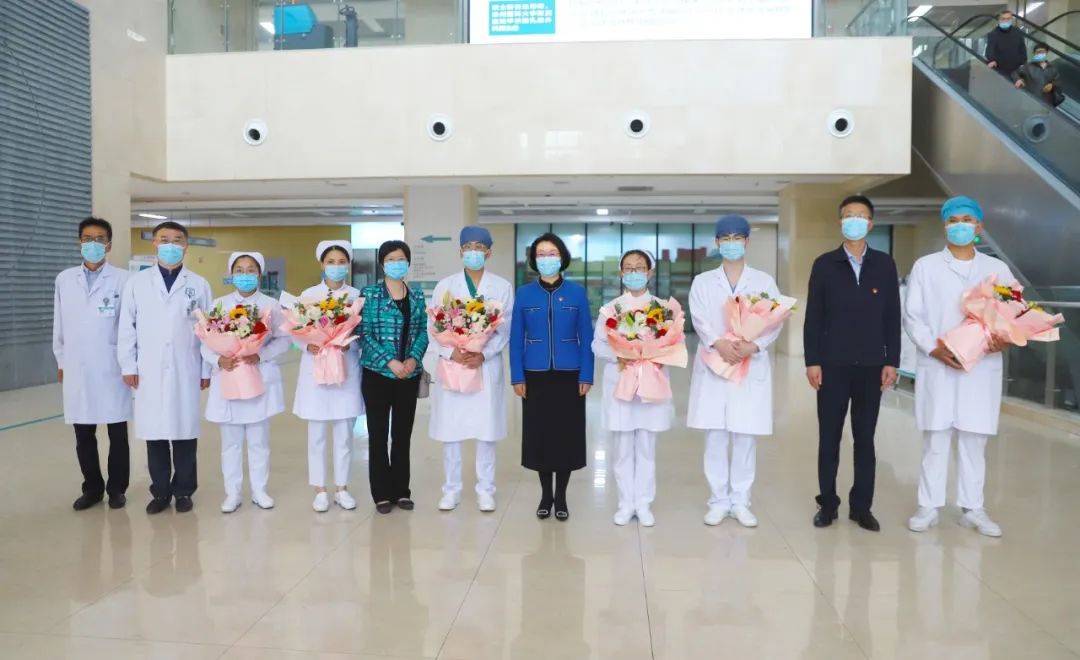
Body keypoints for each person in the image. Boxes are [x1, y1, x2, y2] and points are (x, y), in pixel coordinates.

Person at [904, 197, 1014, 538]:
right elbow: (913, 315)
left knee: (974, 440)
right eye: (953, 220)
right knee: (935, 438)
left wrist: (1005, 338)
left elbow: (1013, 312)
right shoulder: (926, 266)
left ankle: (973, 508)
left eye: (967, 219)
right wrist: (934, 347)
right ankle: (928, 506)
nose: (960, 226)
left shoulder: (997, 270)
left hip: (981, 367)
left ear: (979, 226)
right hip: (939, 362)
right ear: (945, 226)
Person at [804, 195, 900, 532]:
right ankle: (827, 504)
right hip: (832, 365)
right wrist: (812, 361)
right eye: (848, 215)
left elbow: (892, 316)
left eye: (860, 216)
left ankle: (862, 507)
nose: (854, 221)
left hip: (871, 366)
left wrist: (892, 360)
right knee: (829, 437)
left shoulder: (884, 265)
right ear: (840, 222)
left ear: (870, 224)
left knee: (865, 438)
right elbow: (813, 317)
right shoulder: (824, 264)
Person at [687, 216, 782, 528]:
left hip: (748, 363)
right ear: (717, 242)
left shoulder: (764, 281)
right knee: (715, 436)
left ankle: (741, 501)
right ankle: (718, 501)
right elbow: (699, 319)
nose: (731, 243)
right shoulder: (703, 282)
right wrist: (719, 343)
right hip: (716, 362)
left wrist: (754, 345)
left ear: (747, 242)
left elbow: (774, 320)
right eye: (725, 238)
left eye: (737, 237)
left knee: (744, 436)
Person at [117, 221, 212, 514]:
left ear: (186, 246)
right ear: (155, 244)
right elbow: (127, 328)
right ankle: (160, 493)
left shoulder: (199, 284)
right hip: (149, 369)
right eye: (164, 239)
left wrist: (206, 370)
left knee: (185, 433)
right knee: (155, 433)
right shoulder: (137, 283)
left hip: (187, 367)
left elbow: (209, 331)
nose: (171, 245)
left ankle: (184, 491)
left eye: (177, 240)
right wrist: (128, 365)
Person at [592, 249, 680, 527]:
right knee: (622, 448)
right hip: (620, 381)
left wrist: (655, 354)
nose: (634, 273)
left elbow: (674, 344)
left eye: (639, 267)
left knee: (646, 447)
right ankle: (625, 503)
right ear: (621, 273)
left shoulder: (663, 310)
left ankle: (643, 503)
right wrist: (619, 355)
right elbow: (597, 344)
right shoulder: (611, 309)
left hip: (650, 382)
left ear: (649, 272)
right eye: (628, 268)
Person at [429, 227, 514, 513]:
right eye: (468, 247)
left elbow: (505, 331)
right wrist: (451, 351)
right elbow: (433, 327)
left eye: (479, 247)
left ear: (489, 252)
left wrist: (483, 353)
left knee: (485, 431)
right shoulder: (445, 286)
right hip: (453, 365)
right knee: (451, 431)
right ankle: (451, 490)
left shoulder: (502, 286)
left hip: (485, 367)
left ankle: (485, 490)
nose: (473, 251)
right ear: (460, 251)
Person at [510, 232, 594, 521]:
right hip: (535, 375)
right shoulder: (524, 294)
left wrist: (587, 375)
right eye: (541, 254)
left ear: (562, 257)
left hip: (570, 375)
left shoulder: (577, 293)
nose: (547, 258)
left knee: (566, 437)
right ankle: (546, 494)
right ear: (534, 260)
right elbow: (515, 338)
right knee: (540, 436)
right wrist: (517, 376)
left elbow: (587, 337)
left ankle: (562, 497)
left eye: (552, 253)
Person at [202, 252, 291, 514]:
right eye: (239, 270)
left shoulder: (271, 306)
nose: (244, 275)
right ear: (231, 274)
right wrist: (219, 360)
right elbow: (204, 342)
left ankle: (260, 491)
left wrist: (260, 355)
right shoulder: (219, 304)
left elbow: (284, 340)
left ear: (259, 274)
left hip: (257, 378)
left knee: (258, 442)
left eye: (250, 270)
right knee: (230, 443)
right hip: (228, 378)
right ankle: (233, 493)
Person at [53, 217, 132, 511]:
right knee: (83, 434)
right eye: (87, 238)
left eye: (100, 239)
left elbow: (130, 326)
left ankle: (117, 489)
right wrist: (61, 360)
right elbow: (59, 326)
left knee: (117, 433)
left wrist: (130, 364)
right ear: (79, 242)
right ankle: (92, 488)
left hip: (113, 366)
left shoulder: (124, 280)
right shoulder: (64, 279)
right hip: (77, 366)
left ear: (109, 244)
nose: (93, 244)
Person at [294, 240, 365, 513]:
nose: (336, 267)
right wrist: (307, 346)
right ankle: (320, 490)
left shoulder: (357, 296)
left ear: (348, 265)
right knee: (317, 436)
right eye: (331, 262)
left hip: (345, 370)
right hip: (316, 371)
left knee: (344, 435)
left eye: (341, 262)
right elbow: (295, 332)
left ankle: (342, 488)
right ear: (322, 264)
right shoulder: (308, 295)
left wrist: (350, 344)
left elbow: (363, 333)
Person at [360, 240, 429, 515]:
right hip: (377, 374)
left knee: (402, 435)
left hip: (408, 376)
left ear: (408, 262)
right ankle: (381, 494)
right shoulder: (370, 294)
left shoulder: (417, 296)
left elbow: (423, 331)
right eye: (390, 259)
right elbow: (364, 333)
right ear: (382, 263)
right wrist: (390, 361)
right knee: (378, 435)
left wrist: (412, 360)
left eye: (400, 259)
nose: (396, 263)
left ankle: (401, 490)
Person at [1013, 43, 1064, 107]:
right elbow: (1015, 73)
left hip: (1047, 104)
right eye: (1037, 52)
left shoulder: (1052, 69)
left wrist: (1052, 85)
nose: (1040, 54)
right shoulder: (1028, 66)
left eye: (1042, 52)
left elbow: (1058, 83)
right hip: (1030, 102)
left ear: (1047, 52)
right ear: (1034, 54)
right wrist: (1018, 79)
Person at [985, 10, 1027, 79]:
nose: (1005, 21)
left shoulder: (1018, 32)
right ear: (999, 20)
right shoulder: (993, 34)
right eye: (1003, 19)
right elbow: (990, 49)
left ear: (1011, 19)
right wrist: (992, 60)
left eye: (1008, 19)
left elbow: (1022, 48)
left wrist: (1023, 63)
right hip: (999, 69)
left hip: (1016, 69)